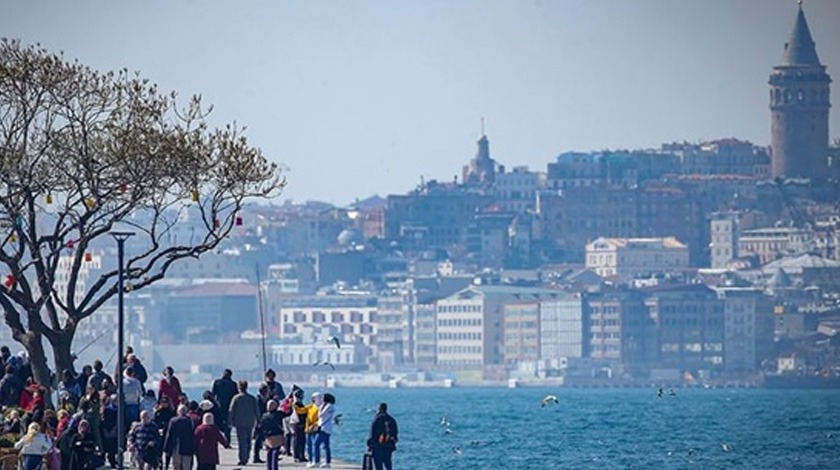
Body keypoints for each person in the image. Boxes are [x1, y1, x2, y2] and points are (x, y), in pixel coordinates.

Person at [228, 379, 259, 466]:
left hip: (239, 422)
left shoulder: (236, 398)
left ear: (239, 388)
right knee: (248, 440)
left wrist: (230, 421)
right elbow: (256, 411)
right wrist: (259, 421)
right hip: (249, 422)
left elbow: (231, 410)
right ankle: (247, 456)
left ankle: (243, 458)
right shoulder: (252, 398)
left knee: (242, 441)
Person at [258, 399, 288, 470]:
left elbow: (261, 427)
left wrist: (262, 437)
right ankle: (274, 468)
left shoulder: (264, 416)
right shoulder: (278, 414)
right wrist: (288, 403)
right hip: (277, 436)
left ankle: (269, 467)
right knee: (275, 452)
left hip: (268, 437)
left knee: (269, 452)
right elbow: (287, 413)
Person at [368, 403, 399, 470]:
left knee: (378, 466)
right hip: (388, 446)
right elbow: (395, 434)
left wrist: (370, 445)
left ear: (379, 409)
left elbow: (372, 433)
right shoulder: (392, 419)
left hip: (377, 446)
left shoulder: (377, 419)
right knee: (388, 464)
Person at [164, 404, 195, 470]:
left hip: (176, 448)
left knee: (176, 467)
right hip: (188, 448)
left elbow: (169, 435)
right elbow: (193, 435)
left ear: (178, 411)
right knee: (186, 467)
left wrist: (166, 448)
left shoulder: (173, 421)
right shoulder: (190, 421)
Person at [310, 392, 335, 468]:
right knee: (326, 446)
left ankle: (317, 461)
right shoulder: (322, 406)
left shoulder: (330, 406)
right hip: (321, 427)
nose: (322, 399)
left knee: (316, 444)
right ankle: (327, 462)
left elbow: (322, 415)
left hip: (325, 428)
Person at [211, 368, 237, 441]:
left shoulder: (217, 382)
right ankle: (227, 438)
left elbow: (213, 394)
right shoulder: (233, 384)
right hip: (229, 406)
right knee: (228, 423)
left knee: (219, 421)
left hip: (219, 405)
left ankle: (221, 437)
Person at [303, 392, 322, 465]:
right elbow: (302, 411)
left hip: (315, 429)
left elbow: (320, 419)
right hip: (308, 429)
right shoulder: (310, 406)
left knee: (315, 445)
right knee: (309, 446)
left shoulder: (321, 408)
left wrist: (314, 425)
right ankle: (310, 460)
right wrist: (294, 404)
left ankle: (316, 460)